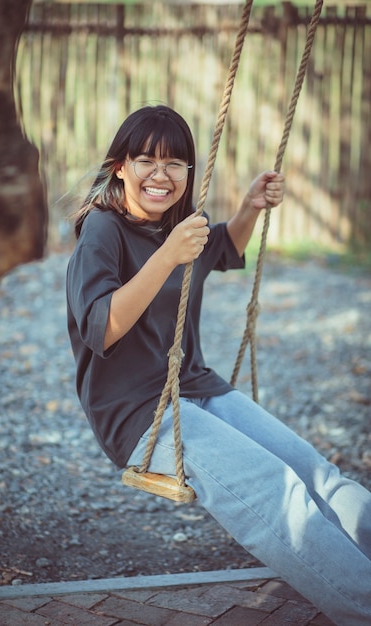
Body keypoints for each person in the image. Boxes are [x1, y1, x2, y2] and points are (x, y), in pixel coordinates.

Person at [66, 104, 371, 625]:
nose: (161, 174)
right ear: (120, 166)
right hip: (139, 412)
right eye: (146, 160)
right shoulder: (103, 230)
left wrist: (251, 207)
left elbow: (223, 247)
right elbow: (103, 327)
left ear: (190, 172)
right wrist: (167, 257)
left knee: (319, 475)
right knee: (277, 490)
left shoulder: (183, 223)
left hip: (197, 386)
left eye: (176, 163)